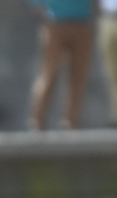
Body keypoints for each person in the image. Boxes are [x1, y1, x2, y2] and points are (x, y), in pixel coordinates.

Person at [29, 0, 95, 130]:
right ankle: (38, 121)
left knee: (78, 76)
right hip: (55, 23)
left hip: (82, 22)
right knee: (49, 74)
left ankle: (71, 122)